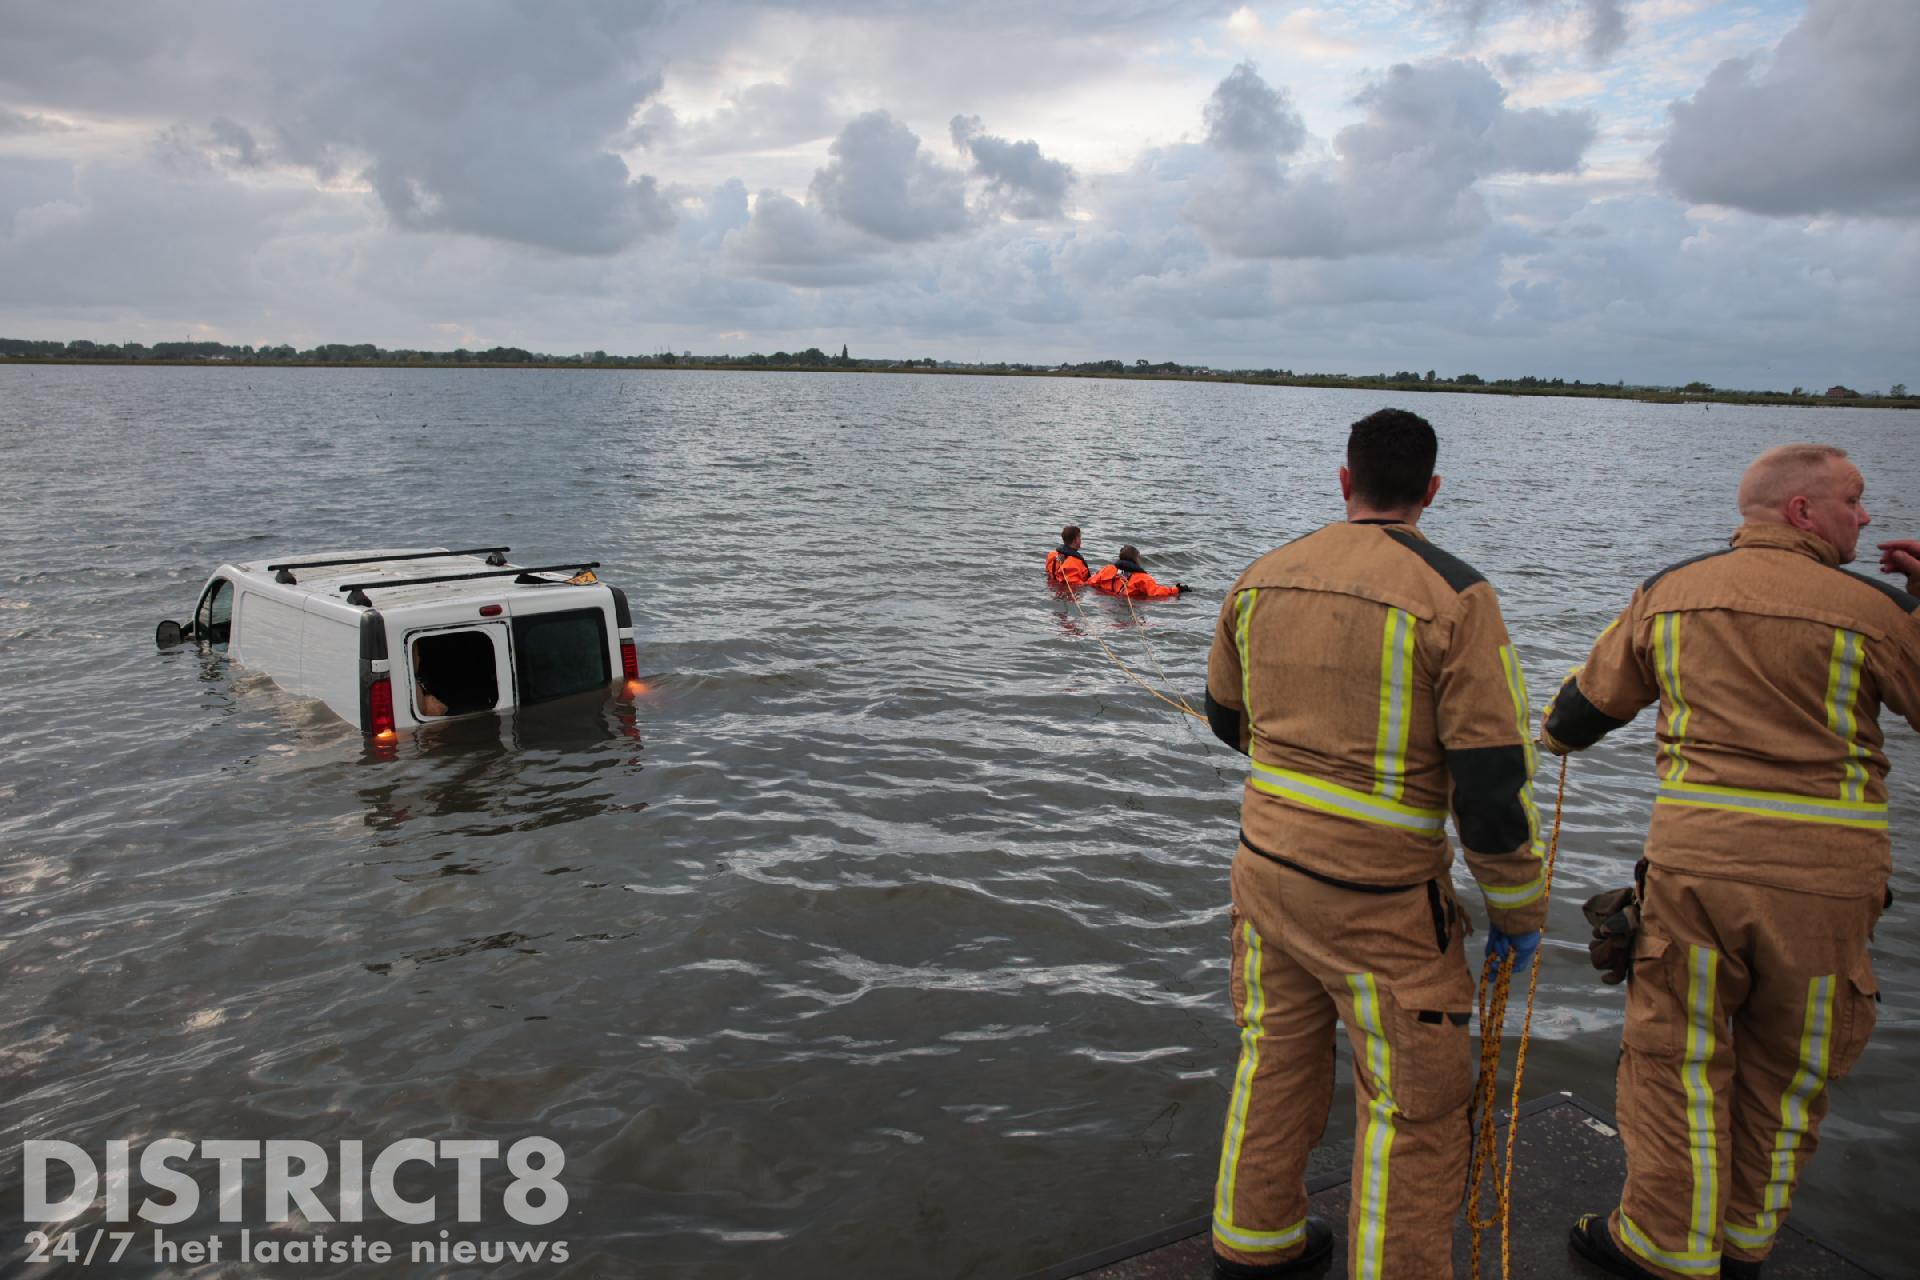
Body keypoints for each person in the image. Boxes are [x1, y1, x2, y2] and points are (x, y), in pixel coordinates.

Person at [1542, 443, 1915, 1280]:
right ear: (1801, 511)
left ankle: (1662, 1243)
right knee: (1789, 1073)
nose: (1866, 517)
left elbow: (1578, 714)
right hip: (1829, 889)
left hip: (1698, 875)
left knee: (1677, 1061)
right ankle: (1745, 1241)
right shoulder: (1880, 611)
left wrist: (1545, 736)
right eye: (1854, 501)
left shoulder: (1670, 592)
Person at [1203, 408, 1547, 1279]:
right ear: (1431, 491)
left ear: (1344, 481)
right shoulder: (1459, 597)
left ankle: (1253, 1247)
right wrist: (1516, 906)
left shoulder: (1262, 575)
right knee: (1415, 1109)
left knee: (1272, 1061)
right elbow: (1492, 780)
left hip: (1265, 873)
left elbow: (1225, 717)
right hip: (1383, 901)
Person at [1086, 544, 1187, 598]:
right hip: (1127, 602)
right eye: (1139, 558)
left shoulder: (1108, 569)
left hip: (1107, 601)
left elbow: (1091, 582)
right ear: (1135, 559)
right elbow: (1156, 593)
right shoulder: (1142, 578)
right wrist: (1177, 589)